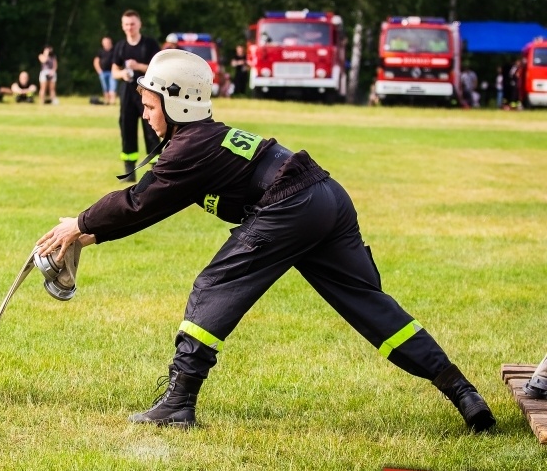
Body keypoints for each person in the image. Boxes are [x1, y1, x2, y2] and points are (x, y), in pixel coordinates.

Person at [36, 49, 496, 433]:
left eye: (150, 104)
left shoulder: (190, 145)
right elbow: (153, 205)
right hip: (327, 197)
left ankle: (178, 403)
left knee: (214, 287)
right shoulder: (200, 140)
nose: (144, 112)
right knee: (368, 304)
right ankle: (460, 389)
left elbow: (139, 200)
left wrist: (78, 223)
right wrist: (88, 232)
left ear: (178, 103)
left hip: (290, 204)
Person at [111, 9, 161, 182]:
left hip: (147, 91)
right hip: (127, 93)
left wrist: (138, 66)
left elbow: (159, 69)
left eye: (132, 24)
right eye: (126, 24)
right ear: (122, 26)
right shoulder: (120, 46)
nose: (129, 27)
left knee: (152, 127)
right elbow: (114, 71)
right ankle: (129, 170)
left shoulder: (149, 45)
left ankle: (156, 170)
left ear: (139, 24)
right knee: (127, 127)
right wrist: (122, 74)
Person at [93, 37, 117, 106]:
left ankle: (113, 101)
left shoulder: (114, 50)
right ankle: (107, 101)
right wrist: (99, 71)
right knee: (105, 88)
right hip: (103, 72)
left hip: (112, 72)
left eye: (107, 42)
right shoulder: (100, 51)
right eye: (105, 43)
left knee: (113, 87)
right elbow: (96, 61)